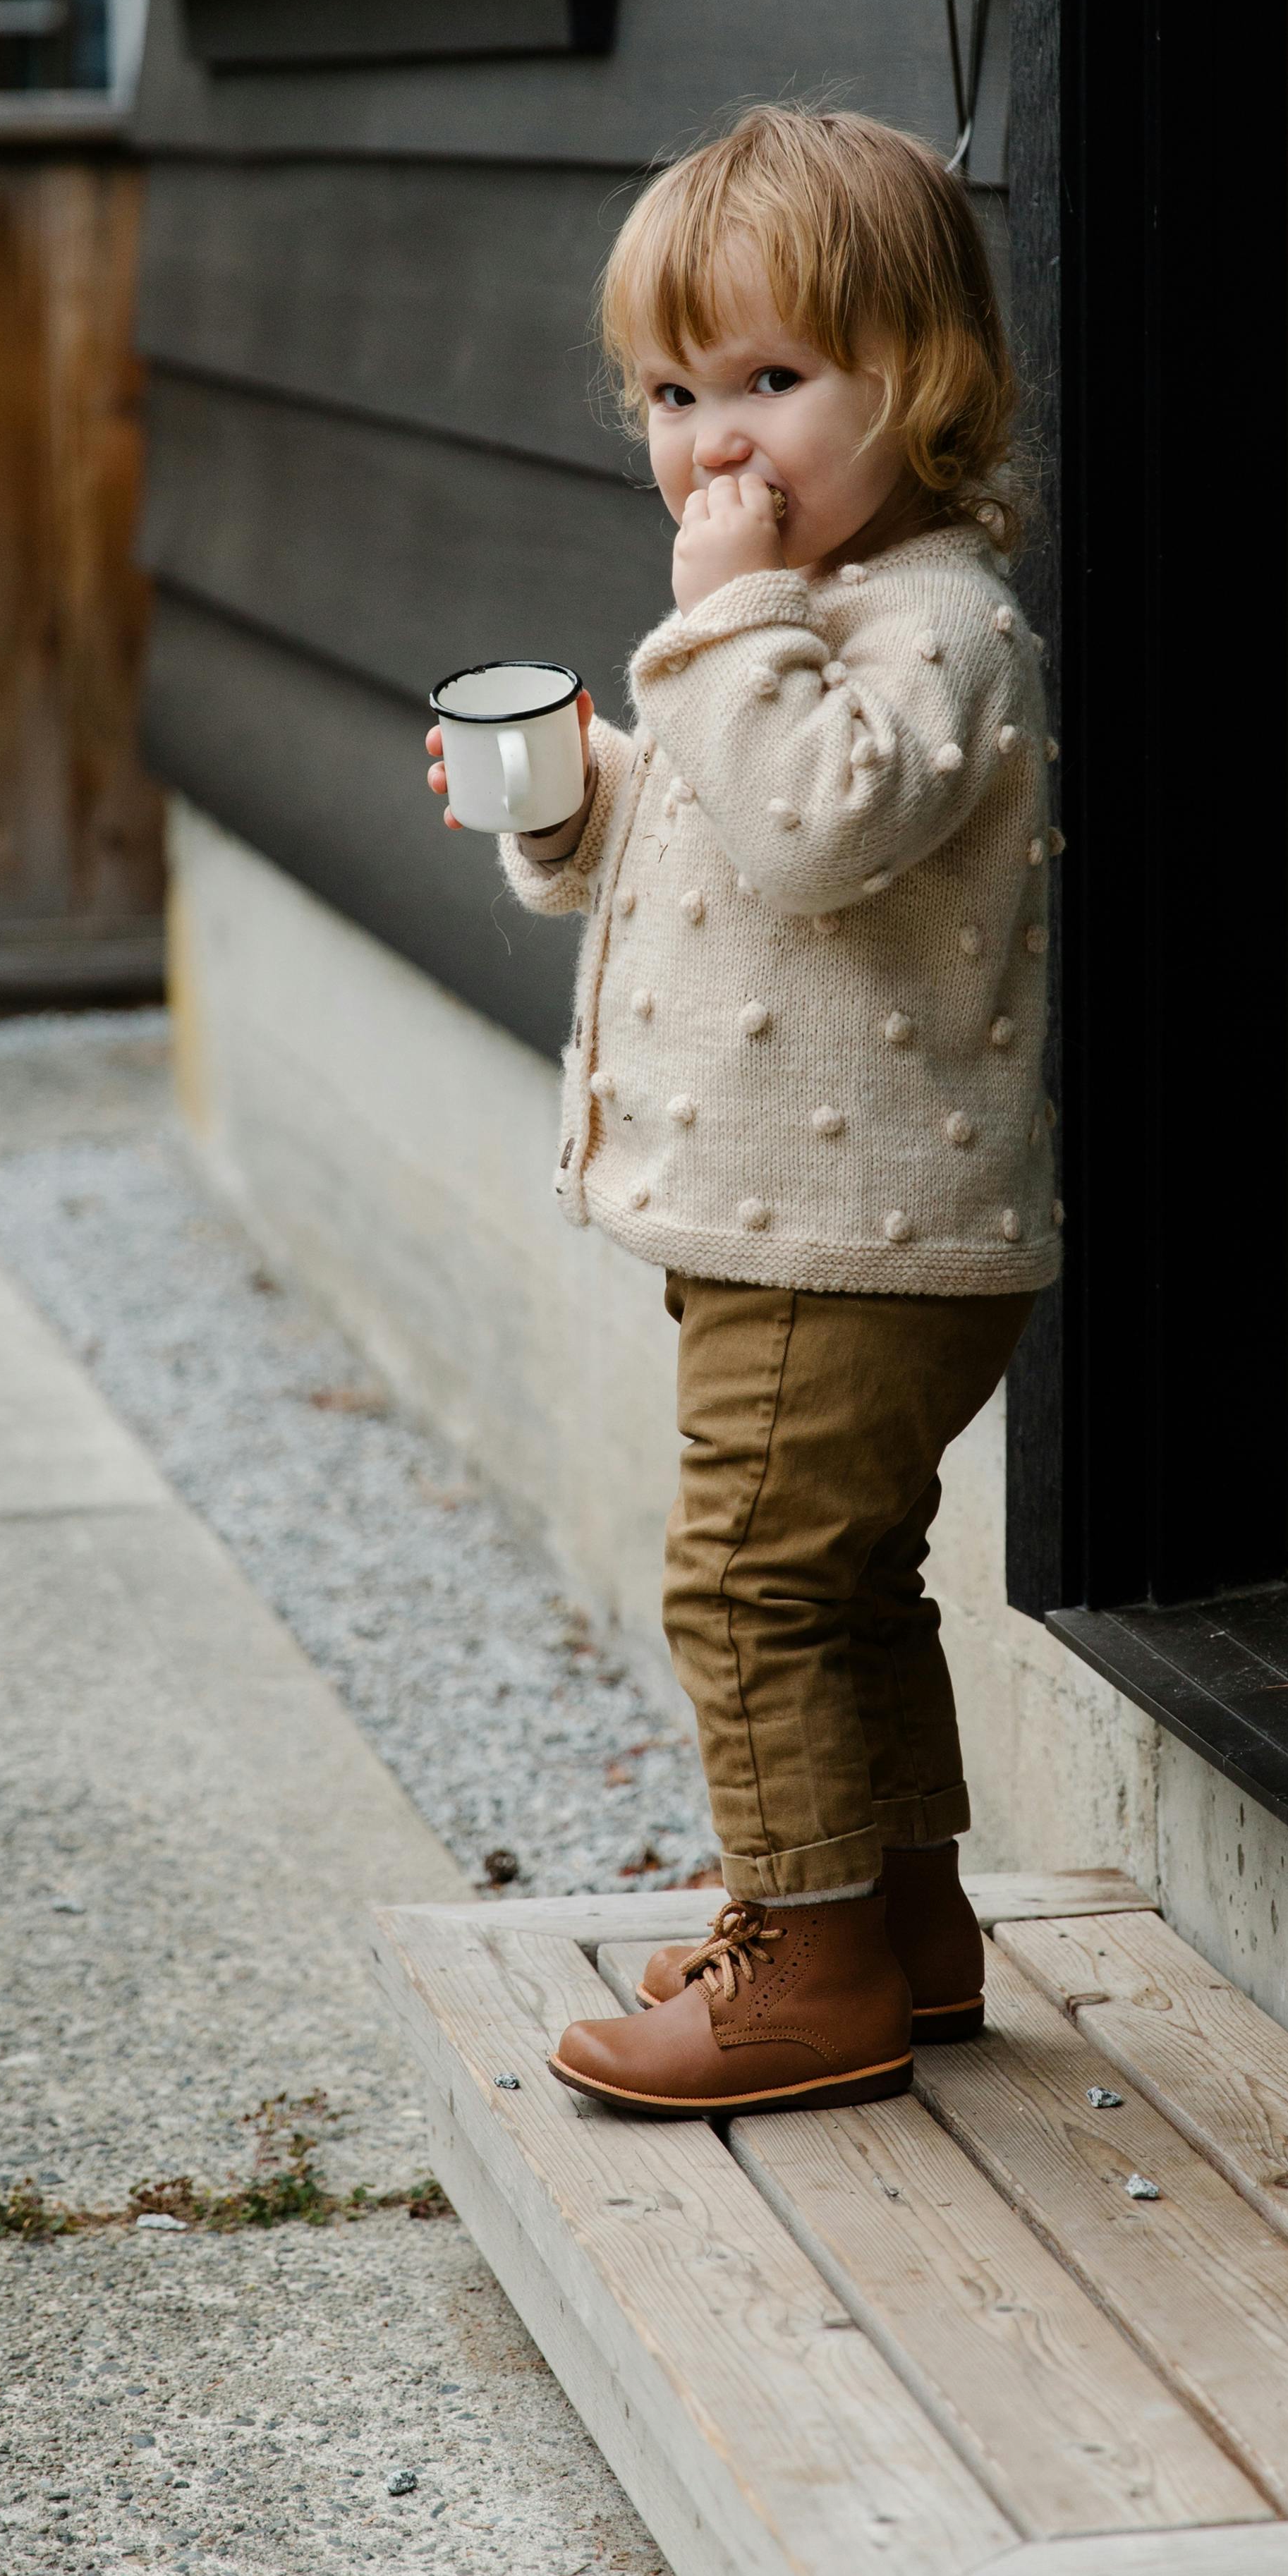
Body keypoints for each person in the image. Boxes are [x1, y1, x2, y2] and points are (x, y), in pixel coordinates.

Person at [424, 104, 1061, 2115]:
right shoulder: (782, 632)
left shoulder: (932, 626)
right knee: (845, 1576)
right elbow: (712, 831)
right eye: (673, 392)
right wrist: (570, 798)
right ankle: (905, 1921)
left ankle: (800, 1962)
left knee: (749, 1580)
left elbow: (803, 827)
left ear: (922, 387)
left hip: (860, 1235)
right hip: (790, 1220)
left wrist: (716, 627)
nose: (713, 439)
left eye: (770, 381)